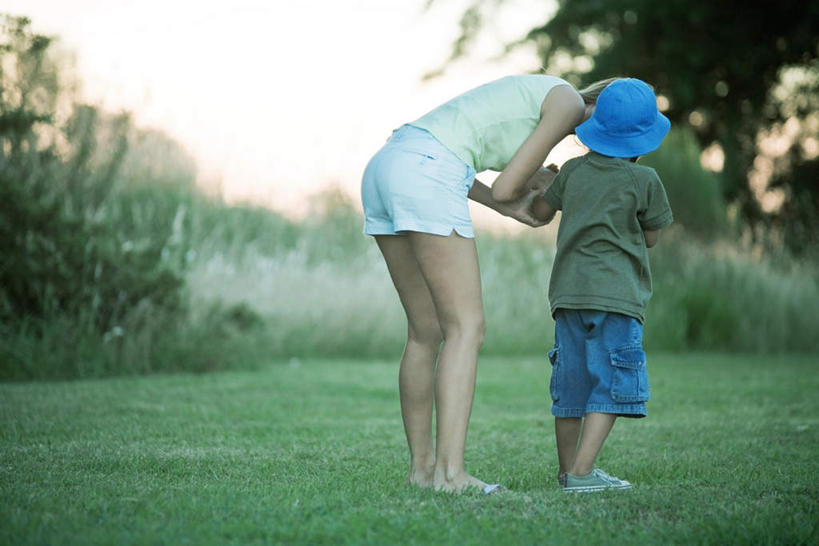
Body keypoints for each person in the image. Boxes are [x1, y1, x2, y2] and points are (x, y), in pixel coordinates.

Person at [360, 73, 619, 493]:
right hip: (428, 173)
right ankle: (451, 475)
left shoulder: (545, 92)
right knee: (466, 328)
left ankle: (423, 471)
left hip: (389, 165)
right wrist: (539, 188)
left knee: (426, 331)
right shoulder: (568, 103)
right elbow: (504, 185)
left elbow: (472, 172)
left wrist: (516, 199)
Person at [529, 78, 673, 492]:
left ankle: (566, 471)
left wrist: (545, 183)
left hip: (568, 295)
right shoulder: (644, 180)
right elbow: (651, 237)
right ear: (642, 139)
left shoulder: (572, 171)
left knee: (570, 385)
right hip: (617, 297)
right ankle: (582, 474)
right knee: (609, 383)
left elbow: (541, 209)